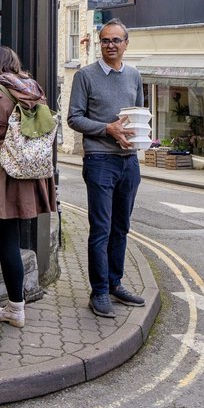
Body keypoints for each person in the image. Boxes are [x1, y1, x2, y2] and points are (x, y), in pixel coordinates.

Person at [0, 46, 58, 329]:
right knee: (10, 231)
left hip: (3, 172)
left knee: (9, 242)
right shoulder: (33, 89)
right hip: (31, 171)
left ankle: (15, 308)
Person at [66, 18, 147, 320]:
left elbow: (137, 114)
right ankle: (98, 292)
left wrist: (142, 138)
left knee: (121, 228)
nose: (110, 45)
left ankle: (115, 283)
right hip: (99, 160)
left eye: (116, 40)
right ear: (99, 44)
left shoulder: (135, 76)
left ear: (127, 43)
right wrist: (107, 129)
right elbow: (74, 118)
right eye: (105, 41)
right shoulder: (85, 76)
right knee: (100, 229)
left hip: (129, 162)